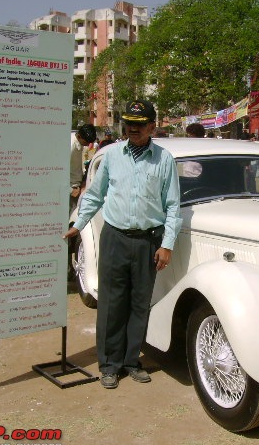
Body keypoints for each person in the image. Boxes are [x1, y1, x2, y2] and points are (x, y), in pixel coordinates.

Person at [62, 99, 182, 390]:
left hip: (148, 241)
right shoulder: (113, 155)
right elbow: (94, 195)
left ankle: (131, 361)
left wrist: (166, 244)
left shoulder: (164, 159)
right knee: (112, 304)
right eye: (129, 123)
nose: (133, 128)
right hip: (115, 238)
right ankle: (109, 365)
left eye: (140, 124)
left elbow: (173, 206)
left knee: (139, 304)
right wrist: (77, 223)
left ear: (152, 125)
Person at [70, 124, 96, 210]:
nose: (87, 145)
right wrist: (70, 190)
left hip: (77, 187)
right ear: (79, 136)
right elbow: (58, 170)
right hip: (71, 190)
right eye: (86, 142)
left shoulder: (79, 144)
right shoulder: (71, 146)